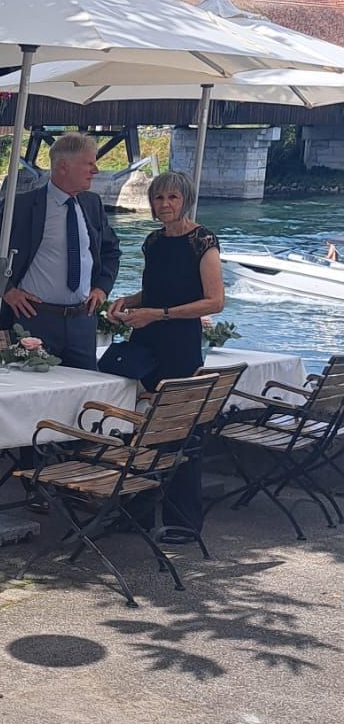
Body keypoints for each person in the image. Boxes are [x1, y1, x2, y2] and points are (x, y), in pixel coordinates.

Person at [100, 169, 225, 538]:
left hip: (180, 343)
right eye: (158, 197)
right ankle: (135, 512)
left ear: (185, 200)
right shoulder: (153, 242)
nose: (165, 204)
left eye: (172, 197)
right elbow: (157, 290)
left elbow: (214, 301)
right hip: (146, 339)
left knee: (180, 429)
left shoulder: (202, 241)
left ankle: (182, 521)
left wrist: (159, 314)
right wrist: (129, 301)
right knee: (141, 426)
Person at [0, 131, 120, 368]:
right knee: (32, 387)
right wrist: (7, 290)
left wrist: (102, 287)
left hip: (82, 321)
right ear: (64, 166)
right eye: (89, 164)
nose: (96, 170)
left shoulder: (92, 204)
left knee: (86, 386)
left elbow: (111, 250)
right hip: (35, 320)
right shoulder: (23, 206)